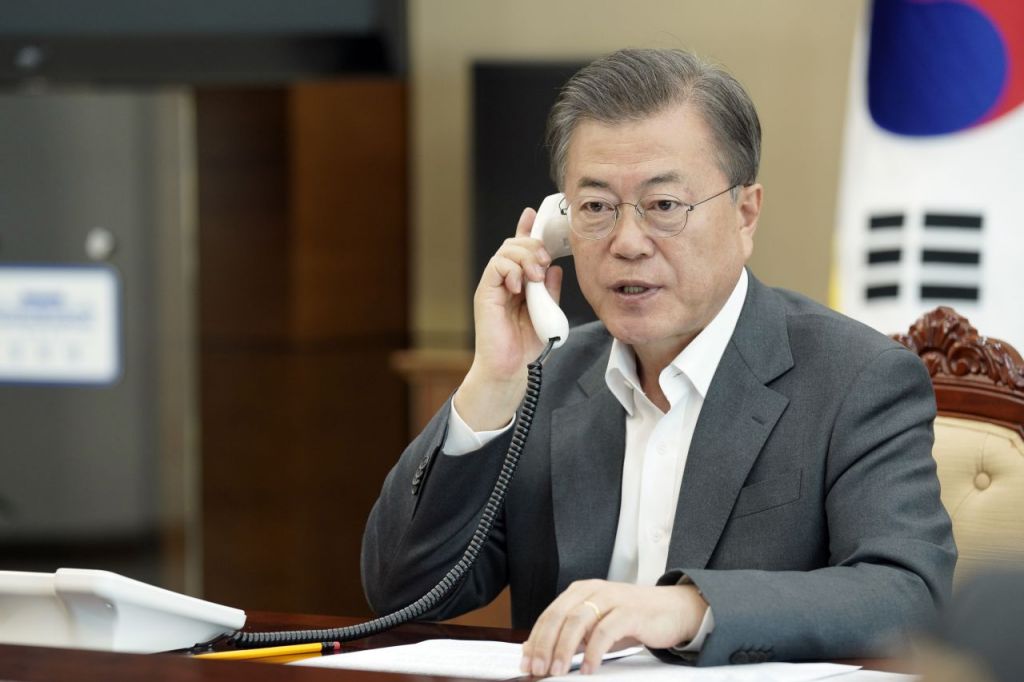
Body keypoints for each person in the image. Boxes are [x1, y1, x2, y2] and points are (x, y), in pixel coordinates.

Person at [361, 47, 956, 673]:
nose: (627, 243)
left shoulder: (855, 378)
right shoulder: (546, 381)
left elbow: (908, 594)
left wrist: (689, 609)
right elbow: (403, 589)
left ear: (745, 214)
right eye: (595, 208)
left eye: (664, 206)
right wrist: (493, 381)